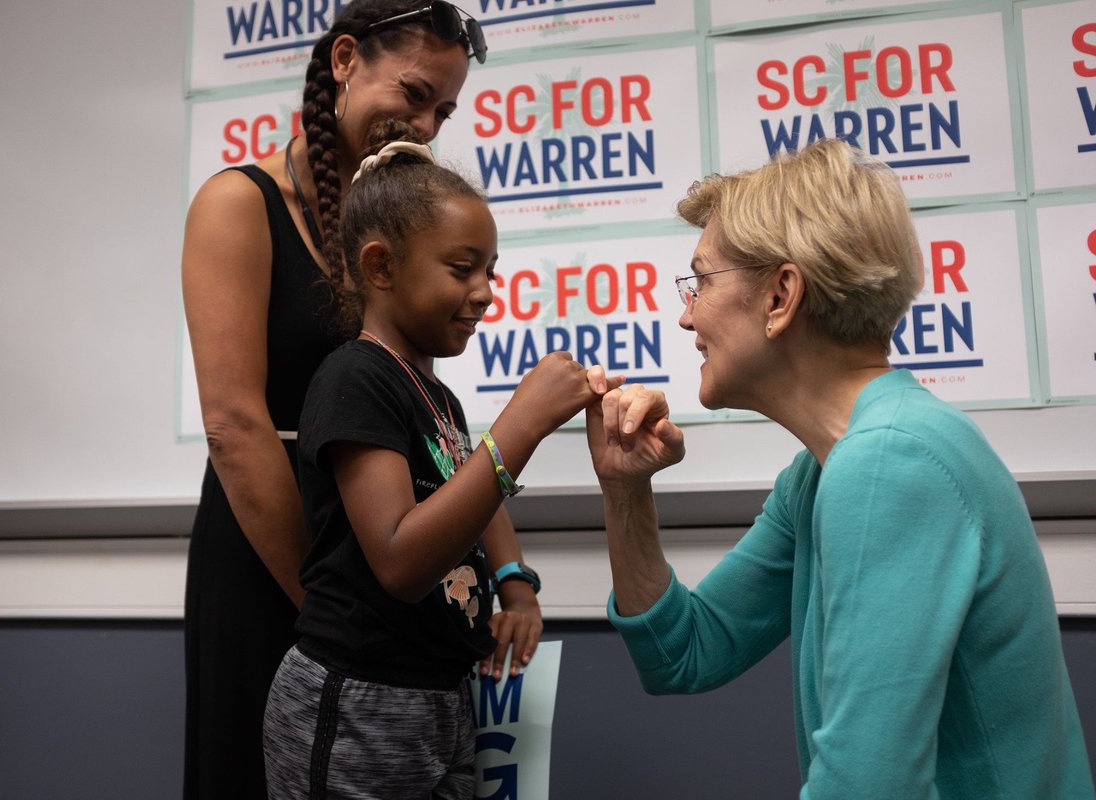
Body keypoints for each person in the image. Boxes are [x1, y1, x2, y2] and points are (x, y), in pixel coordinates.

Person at [585, 138, 1096, 798]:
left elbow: (867, 779)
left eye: (701, 281)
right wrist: (626, 490)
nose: (685, 315)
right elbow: (684, 653)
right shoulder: (828, 469)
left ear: (780, 296)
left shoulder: (891, 461)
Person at [180, 4, 533, 798]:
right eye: (413, 92)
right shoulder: (238, 204)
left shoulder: (399, 231)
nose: (425, 121)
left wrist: (512, 571)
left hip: (374, 576)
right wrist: (336, 609)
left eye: (442, 109)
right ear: (345, 60)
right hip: (274, 555)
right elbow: (234, 425)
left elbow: (436, 427)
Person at [262, 123, 610, 799]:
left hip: (438, 695)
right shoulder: (352, 379)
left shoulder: (435, 394)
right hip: (360, 699)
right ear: (381, 267)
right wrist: (522, 426)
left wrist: (515, 583)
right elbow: (400, 561)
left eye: (491, 273)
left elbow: (469, 487)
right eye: (461, 269)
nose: (484, 291)